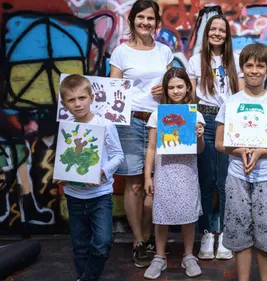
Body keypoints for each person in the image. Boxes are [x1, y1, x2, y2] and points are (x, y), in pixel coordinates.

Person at [214, 43, 267, 281]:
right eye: (249, 65)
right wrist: (239, 151)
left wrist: (260, 153)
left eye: (260, 66)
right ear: (242, 68)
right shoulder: (231, 103)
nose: (254, 70)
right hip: (237, 177)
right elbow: (219, 143)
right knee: (239, 236)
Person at [109, 0, 173, 267]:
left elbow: (175, 87)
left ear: (157, 22)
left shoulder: (165, 51)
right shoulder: (121, 52)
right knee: (135, 184)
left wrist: (166, 89)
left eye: (150, 18)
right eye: (141, 17)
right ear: (132, 19)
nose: (146, 22)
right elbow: (112, 89)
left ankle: (149, 237)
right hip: (131, 121)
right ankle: (138, 241)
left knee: (156, 186)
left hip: (160, 122)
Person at [54, 74, 124, 281]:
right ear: (64, 104)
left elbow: (118, 155)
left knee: (102, 244)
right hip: (74, 196)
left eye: (82, 98)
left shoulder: (106, 124)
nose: (77, 104)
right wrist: (61, 174)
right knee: (80, 247)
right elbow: (66, 158)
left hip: (100, 195)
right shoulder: (66, 129)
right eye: (71, 100)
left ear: (92, 98)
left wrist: (101, 172)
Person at [186, 14, 244, 260]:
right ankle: (208, 233)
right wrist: (194, 122)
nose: (217, 33)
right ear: (206, 33)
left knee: (225, 181)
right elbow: (190, 96)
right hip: (204, 120)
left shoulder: (237, 59)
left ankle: (227, 236)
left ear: (227, 34)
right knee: (206, 181)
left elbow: (241, 93)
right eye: (213, 29)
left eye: (222, 30)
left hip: (229, 121)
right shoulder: (196, 60)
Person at [142, 68, 205, 279]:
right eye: (171, 87)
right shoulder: (157, 114)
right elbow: (151, 147)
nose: (176, 91)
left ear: (188, 87)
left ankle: (189, 255)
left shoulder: (195, 114)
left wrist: (200, 136)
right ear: (165, 90)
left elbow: (199, 150)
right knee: (161, 215)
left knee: (188, 215)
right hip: (163, 172)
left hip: (186, 172)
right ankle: (159, 257)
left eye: (180, 86)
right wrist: (147, 176)